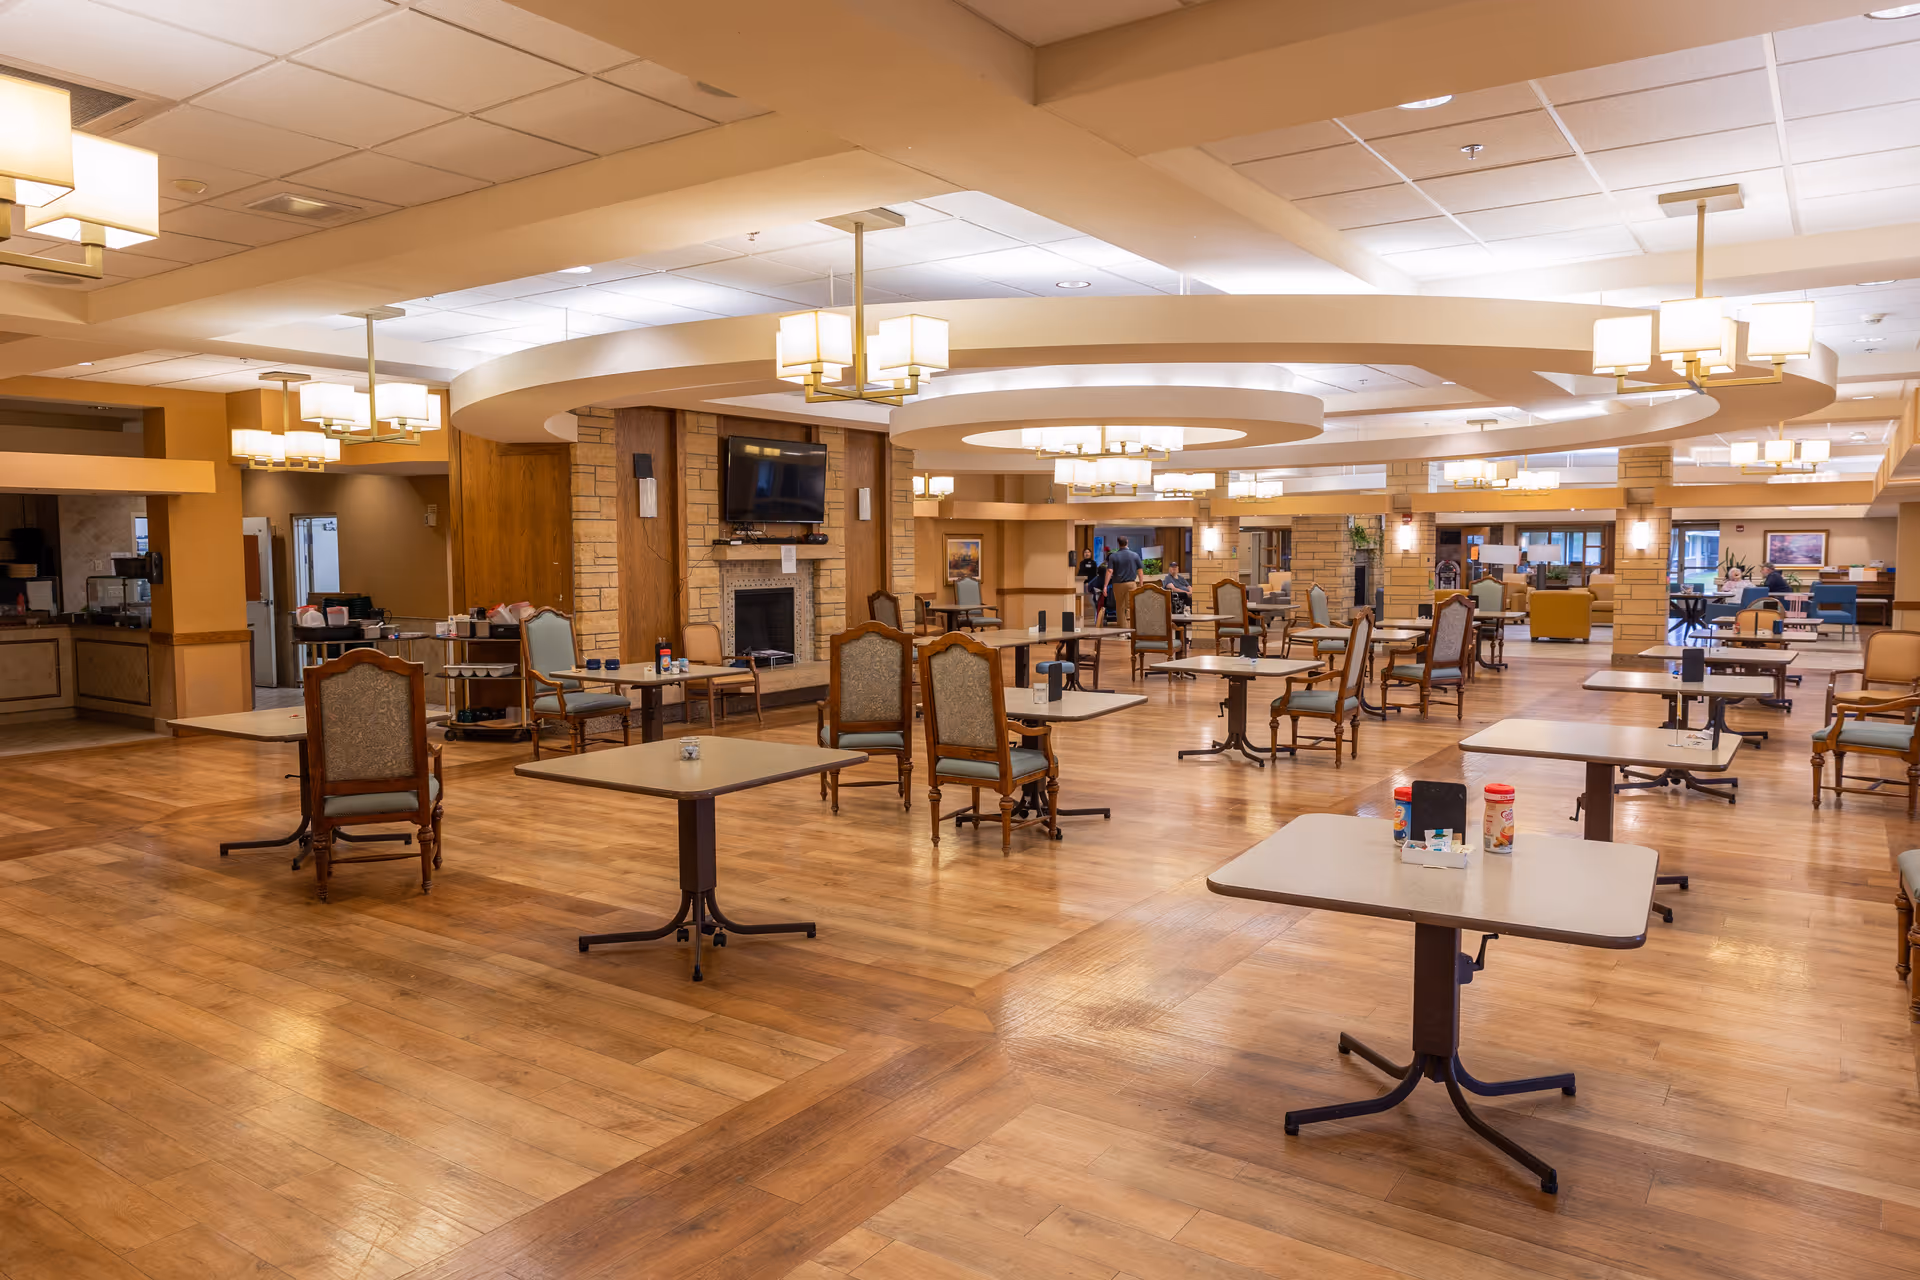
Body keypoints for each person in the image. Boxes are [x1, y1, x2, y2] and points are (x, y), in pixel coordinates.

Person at [1102, 537, 1143, 621]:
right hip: (1131, 584)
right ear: (1127, 542)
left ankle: (1122, 630)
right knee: (1130, 605)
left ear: (1118, 543)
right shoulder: (1135, 555)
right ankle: (1129, 628)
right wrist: (1141, 584)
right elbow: (1140, 570)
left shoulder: (1113, 556)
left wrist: (1105, 586)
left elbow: (1109, 571)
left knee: (1120, 606)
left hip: (1117, 584)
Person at [1077, 550, 1102, 621]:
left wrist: (1090, 583)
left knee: (1092, 600)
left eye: (1088, 552)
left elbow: (1094, 574)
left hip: (1091, 584)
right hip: (1082, 584)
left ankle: (1095, 617)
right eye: (1085, 552)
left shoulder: (1093, 563)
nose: (1087, 553)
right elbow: (1080, 573)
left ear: (1091, 554)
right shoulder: (1081, 563)